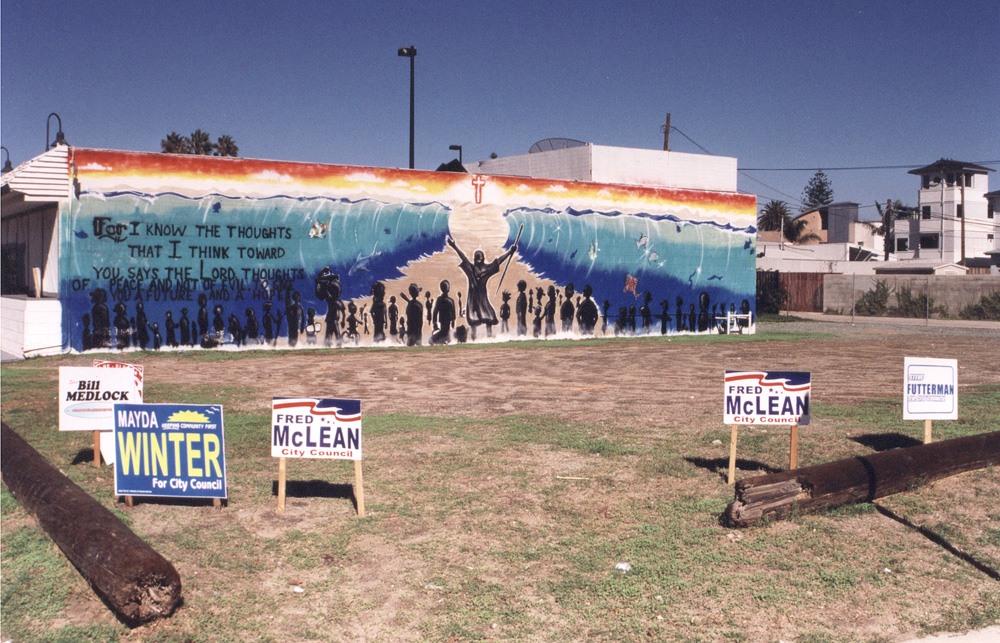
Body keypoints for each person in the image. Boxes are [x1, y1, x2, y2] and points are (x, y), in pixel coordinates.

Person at [446, 236, 517, 340]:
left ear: (480, 259)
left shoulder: (483, 269)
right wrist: (454, 246)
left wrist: (510, 252)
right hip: (474, 300)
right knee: (475, 320)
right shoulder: (474, 269)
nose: (477, 261)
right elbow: (464, 258)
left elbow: (497, 262)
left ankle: (487, 338)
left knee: (488, 317)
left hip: (481, 299)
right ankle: (475, 339)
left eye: (478, 259)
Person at [430, 280, 456, 345]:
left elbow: (435, 311)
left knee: (445, 332)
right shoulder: (450, 300)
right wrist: (453, 320)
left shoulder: (440, 299)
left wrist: (434, 322)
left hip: (444, 320)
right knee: (444, 332)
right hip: (446, 320)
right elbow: (453, 312)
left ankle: (443, 340)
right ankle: (435, 340)